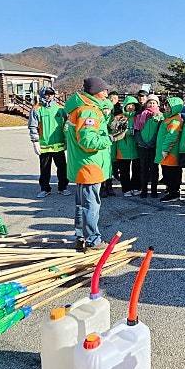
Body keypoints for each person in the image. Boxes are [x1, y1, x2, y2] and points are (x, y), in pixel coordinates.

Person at [64, 77, 114, 251]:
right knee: (91, 204)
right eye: (105, 90)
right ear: (96, 91)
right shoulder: (88, 111)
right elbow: (88, 141)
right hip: (89, 166)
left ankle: (80, 235)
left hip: (82, 165)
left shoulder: (81, 108)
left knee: (82, 203)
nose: (107, 93)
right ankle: (93, 240)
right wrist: (108, 139)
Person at [28, 86, 70, 198]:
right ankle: (45, 189)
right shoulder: (36, 109)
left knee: (62, 168)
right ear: (42, 94)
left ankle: (63, 187)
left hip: (59, 145)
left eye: (51, 94)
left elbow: (67, 123)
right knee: (45, 169)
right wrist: (35, 141)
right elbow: (33, 126)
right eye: (47, 94)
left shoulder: (60, 108)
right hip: (44, 145)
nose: (49, 96)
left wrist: (67, 138)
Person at [155, 96, 185, 202]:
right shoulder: (168, 118)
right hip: (166, 151)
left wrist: (166, 149)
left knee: (171, 173)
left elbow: (172, 135)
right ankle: (171, 190)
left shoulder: (175, 120)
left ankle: (174, 193)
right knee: (167, 172)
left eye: (169, 106)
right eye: (166, 105)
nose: (166, 108)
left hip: (170, 152)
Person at [134, 94, 162, 198]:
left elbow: (160, 132)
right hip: (142, 147)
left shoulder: (160, 116)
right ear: (146, 104)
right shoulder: (140, 115)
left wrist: (153, 142)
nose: (152, 104)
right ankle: (144, 190)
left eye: (154, 102)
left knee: (154, 169)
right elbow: (136, 131)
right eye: (150, 102)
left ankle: (154, 190)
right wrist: (141, 142)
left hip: (154, 146)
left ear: (157, 104)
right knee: (144, 169)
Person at [113, 95, 141, 197]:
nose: (131, 107)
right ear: (124, 106)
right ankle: (126, 189)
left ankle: (136, 187)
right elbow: (114, 131)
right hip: (122, 148)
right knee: (124, 171)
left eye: (133, 105)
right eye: (129, 105)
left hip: (135, 147)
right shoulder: (119, 117)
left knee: (136, 169)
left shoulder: (138, 117)